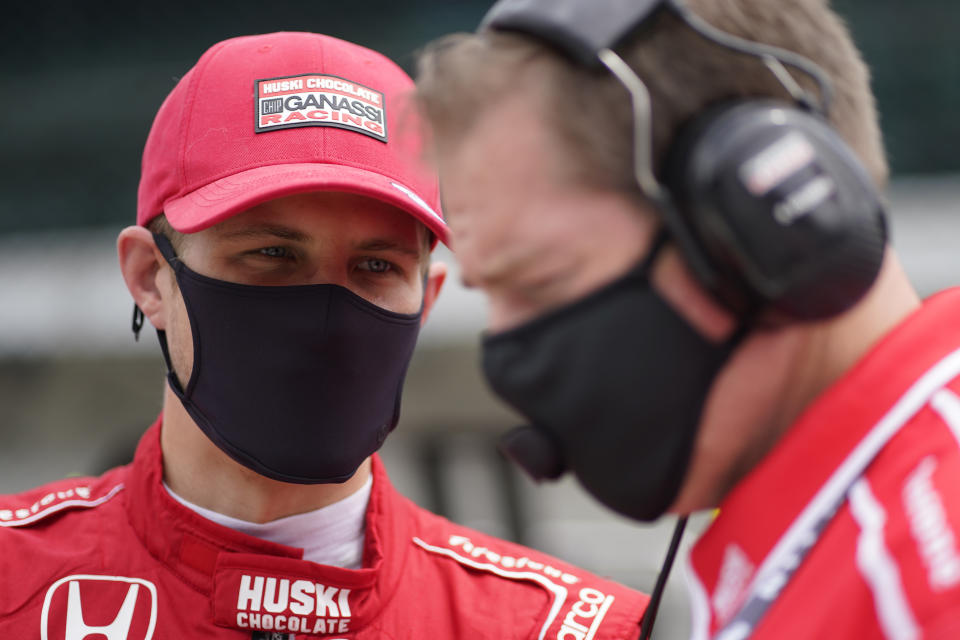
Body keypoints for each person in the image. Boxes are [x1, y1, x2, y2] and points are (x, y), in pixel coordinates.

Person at [0, 31, 650, 638]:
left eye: (376, 266)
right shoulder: (12, 579)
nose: (327, 314)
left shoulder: (565, 628)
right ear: (149, 278)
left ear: (426, 300)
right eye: (271, 255)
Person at [415, 0, 960, 638]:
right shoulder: (833, 529)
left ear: (777, 213)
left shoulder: (926, 578)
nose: (506, 352)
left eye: (540, 283)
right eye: (490, 295)